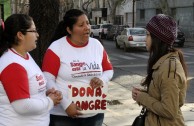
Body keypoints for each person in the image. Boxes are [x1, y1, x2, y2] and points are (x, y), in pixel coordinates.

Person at [42, 9, 113, 126]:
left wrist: (102, 80)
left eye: (88, 23)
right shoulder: (56, 48)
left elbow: (108, 70)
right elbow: (48, 79)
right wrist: (66, 104)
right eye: (81, 25)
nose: (87, 27)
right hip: (63, 116)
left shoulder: (96, 45)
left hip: (94, 114)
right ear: (69, 30)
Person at [0, 14, 62, 126]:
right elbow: (22, 106)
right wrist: (50, 101)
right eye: (33, 31)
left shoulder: (25, 55)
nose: (37, 35)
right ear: (20, 35)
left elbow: (29, 89)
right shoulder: (13, 65)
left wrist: (44, 94)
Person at [132, 14, 188, 126]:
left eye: (148, 35)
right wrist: (142, 95)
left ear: (157, 39)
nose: (145, 38)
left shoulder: (169, 68)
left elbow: (169, 110)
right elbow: (162, 96)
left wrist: (143, 98)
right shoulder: (163, 63)